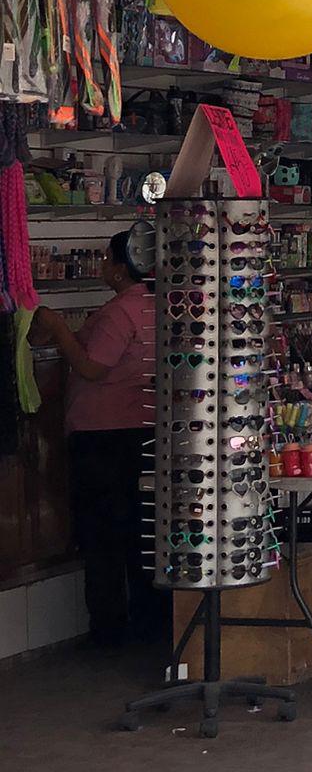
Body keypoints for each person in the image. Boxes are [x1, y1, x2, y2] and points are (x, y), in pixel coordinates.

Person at [30, 231, 159, 647]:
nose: (103, 266)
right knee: (140, 532)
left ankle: (108, 631)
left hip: (104, 439)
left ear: (121, 269)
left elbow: (91, 368)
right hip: (140, 434)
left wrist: (55, 326)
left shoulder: (120, 313)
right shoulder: (154, 306)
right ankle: (146, 623)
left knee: (102, 536)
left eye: (107, 259)